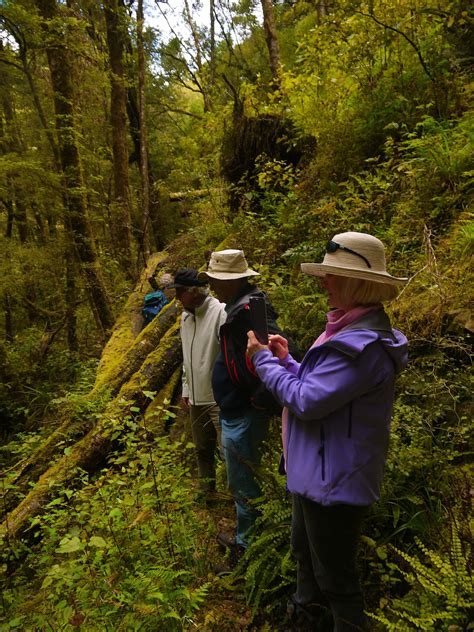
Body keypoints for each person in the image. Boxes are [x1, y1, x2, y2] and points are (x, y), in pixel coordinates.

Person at [246, 232, 409, 631]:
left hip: (334, 481)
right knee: (304, 552)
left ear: (356, 282)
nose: (323, 282)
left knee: (337, 580)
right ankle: (305, 617)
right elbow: (321, 387)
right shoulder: (347, 331)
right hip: (316, 473)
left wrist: (263, 362)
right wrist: (288, 362)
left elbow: (307, 401)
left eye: (331, 275)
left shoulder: (363, 346)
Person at [198, 249, 295, 564]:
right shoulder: (239, 306)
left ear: (235, 280)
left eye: (217, 280)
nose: (212, 286)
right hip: (235, 407)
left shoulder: (253, 310)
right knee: (238, 479)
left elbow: (273, 354)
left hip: (243, 410)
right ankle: (247, 537)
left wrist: (259, 398)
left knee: (242, 482)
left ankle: (249, 549)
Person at [168, 269, 227, 499]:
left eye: (179, 292)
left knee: (228, 452)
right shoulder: (185, 317)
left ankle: (239, 502)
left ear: (193, 291)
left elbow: (229, 356)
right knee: (202, 450)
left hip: (218, 398)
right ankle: (207, 494)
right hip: (195, 398)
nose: (176, 298)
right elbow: (187, 356)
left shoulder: (220, 313)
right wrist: (186, 388)